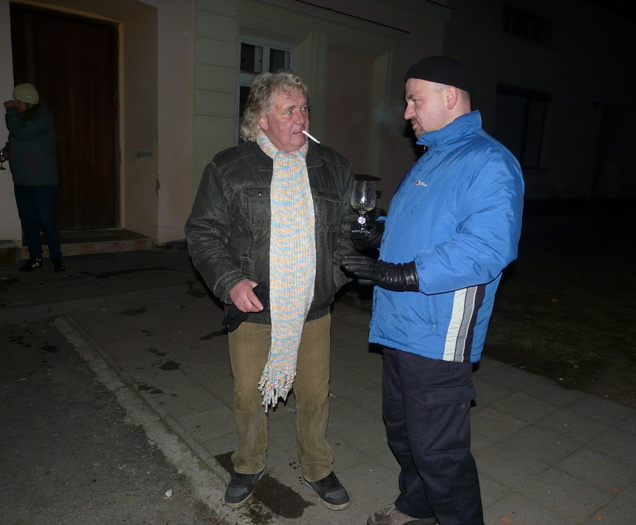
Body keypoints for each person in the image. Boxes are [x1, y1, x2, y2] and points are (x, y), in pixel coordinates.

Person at [343, 56, 525, 525]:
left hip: (439, 334)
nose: (406, 112)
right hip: (399, 324)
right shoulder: (434, 157)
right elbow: (421, 227)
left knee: (439, 452)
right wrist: (378, 233)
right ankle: (417, 505)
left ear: (449, 97)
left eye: (414, 100)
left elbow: (486, 248)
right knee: (404, 434)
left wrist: (401, 275)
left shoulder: (488, 162)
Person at [185, 70, 356, 511]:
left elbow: (345, 237)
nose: (301, 118)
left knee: (315, 393)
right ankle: (248, 464)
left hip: (313, 308)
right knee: (248, 393)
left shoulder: (333, 167)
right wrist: (230, 282)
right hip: (255, 306)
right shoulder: (228, 167)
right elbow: (203, 233)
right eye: (289, 110)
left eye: (304, 108)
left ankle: (317, 466)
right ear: (261, 119)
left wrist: (329, 280)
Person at [4, 83, 65, 272]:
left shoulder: (42, 118)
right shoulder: (22, 120)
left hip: (42, 181)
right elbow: (15, 138)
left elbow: (21, 132)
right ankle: (35, 258)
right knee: (28, 221)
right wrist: (6, 152)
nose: (14, 103)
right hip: (22, 180)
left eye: (17, 101)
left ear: (27, 102)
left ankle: (57, 258)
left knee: (46, 221)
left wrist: (10, 111)